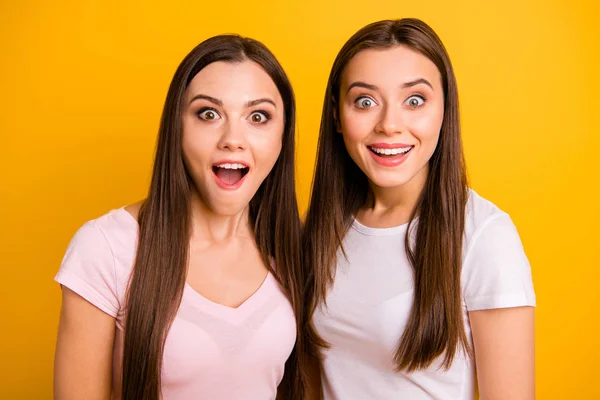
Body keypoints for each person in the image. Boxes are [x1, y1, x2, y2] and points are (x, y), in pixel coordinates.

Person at [54, 34, 303, 400]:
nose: (233, 138)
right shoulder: (107, 248)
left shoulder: (292, 245)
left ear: (283, 136)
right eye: (208, 114)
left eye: (258, 116)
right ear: (178, 127)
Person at [303, 18, 536, 400]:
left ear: (445, 110)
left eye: (415, 101)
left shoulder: (483, 236)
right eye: (365, 101)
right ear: (336, 115)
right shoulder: (321, 229)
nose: (390, 125)